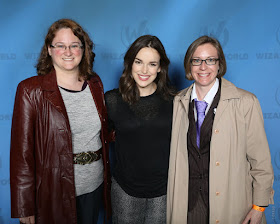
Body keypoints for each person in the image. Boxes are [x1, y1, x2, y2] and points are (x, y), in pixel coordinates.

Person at [10, 18, 111, 224]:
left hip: (94, 185)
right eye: (60, 46)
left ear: (83, 49)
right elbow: (22, 153)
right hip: (53, 191)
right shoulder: (30, 90)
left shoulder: (94, 83)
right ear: (49, 49)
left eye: (74, 45)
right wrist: (24, 205)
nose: (68, 52)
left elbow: (103, 131)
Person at [167, 35, 274, 224]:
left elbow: (261, 163)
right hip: (189, 206)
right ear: (189, 65)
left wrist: (259, 207)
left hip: (233, 206)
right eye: (197, 61)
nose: (203, 67)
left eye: (210, 60)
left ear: (219, 64)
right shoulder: (178, 102)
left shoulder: (246, 102)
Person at [105, 35, 176, 224]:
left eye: (152, 64)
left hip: (164, 191)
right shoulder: (112, 100)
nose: (144, 70)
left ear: (160, 67)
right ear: (130, 63)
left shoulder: (175, 100)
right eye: (139, 62)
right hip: (125, 191)